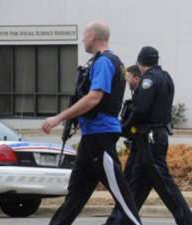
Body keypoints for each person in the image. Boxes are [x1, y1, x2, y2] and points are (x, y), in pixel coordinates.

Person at [41, 21, 141, 225]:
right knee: (75, 195)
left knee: (121, 193)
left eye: (84, 36)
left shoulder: (104, 62)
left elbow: (94, 97)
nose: (82, 40)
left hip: (100, 137)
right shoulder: (107, 62)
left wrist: (59, 117)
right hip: (91, 137)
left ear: (94, 37)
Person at [110, 46, 192, 225]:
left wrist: (124, 126)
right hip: (156, 137)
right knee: (135, 188)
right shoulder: (167, 77)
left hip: (149, 139)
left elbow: (141, 110)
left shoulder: (148, 80)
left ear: (140, 62)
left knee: (166, 188)